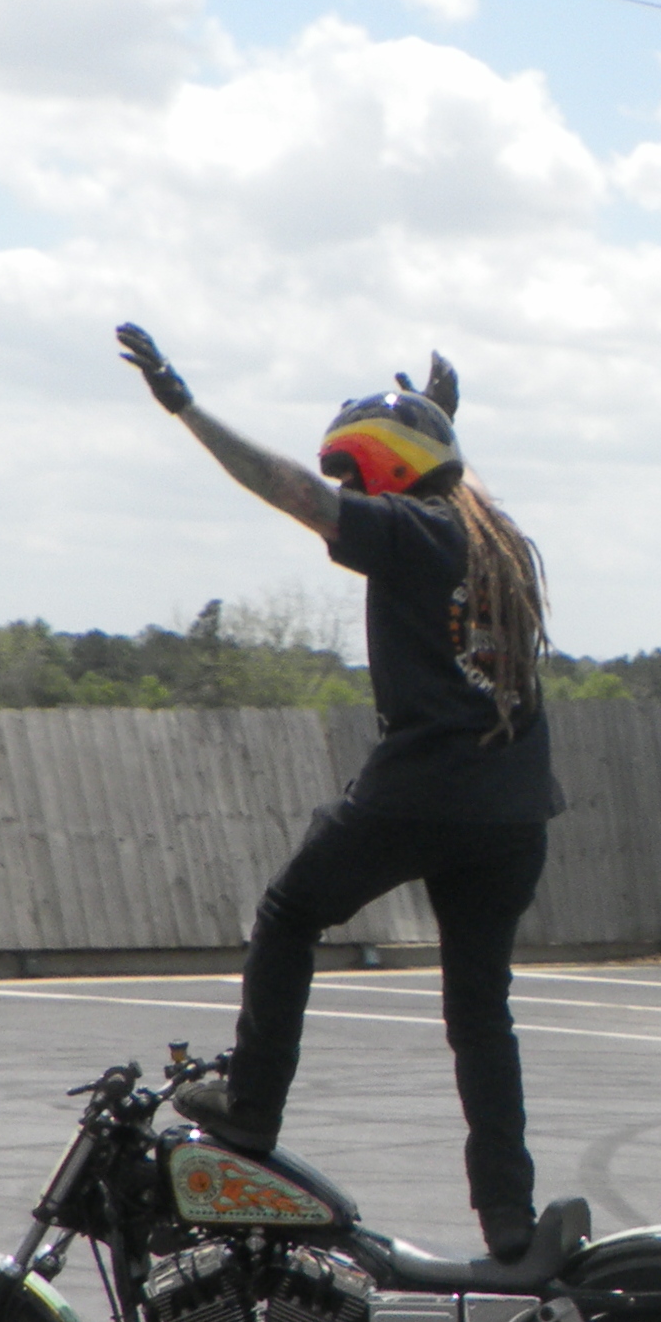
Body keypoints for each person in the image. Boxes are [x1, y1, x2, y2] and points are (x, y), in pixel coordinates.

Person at [115, 321, 562, 1260]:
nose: (352, 497)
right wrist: (437, 418)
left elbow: (290, 490)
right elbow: (439, 478)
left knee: (288, 913)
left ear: (387, 475)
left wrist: (187, 409)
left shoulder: (404, 533)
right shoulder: (501, 542)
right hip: (515, 809)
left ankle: (252, 1103)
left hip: (422, 792)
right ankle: (507, 1213)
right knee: (481, 1014)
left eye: (359, 477)